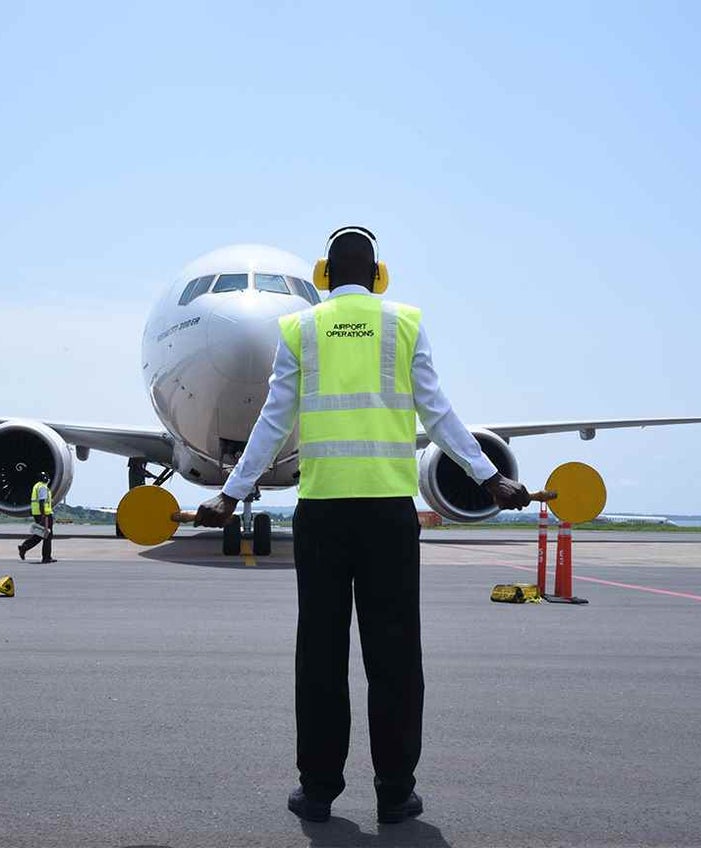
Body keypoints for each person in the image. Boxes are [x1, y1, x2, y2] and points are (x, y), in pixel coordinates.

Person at [194, 226, 531, 824]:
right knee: (396, 657)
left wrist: (231, 493)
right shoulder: (405, 324)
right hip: (388, 517)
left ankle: (319, 790)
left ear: (323, 275)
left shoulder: (300, 328)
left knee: (319, 657)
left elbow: (272, 424)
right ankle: (395, 793)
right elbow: (439, 412)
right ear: (379, 275)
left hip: (322, 515)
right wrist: (487, 478)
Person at [18, 472, 57, 563]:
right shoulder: (43, 487)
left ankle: (26, 548)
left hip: (38, 513)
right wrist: (44, 515)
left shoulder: (37, 486)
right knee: (46, 535)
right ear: (45, 479)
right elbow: (42, 502)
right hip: (44, 514)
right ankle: (44, 557)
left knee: (42, 534)